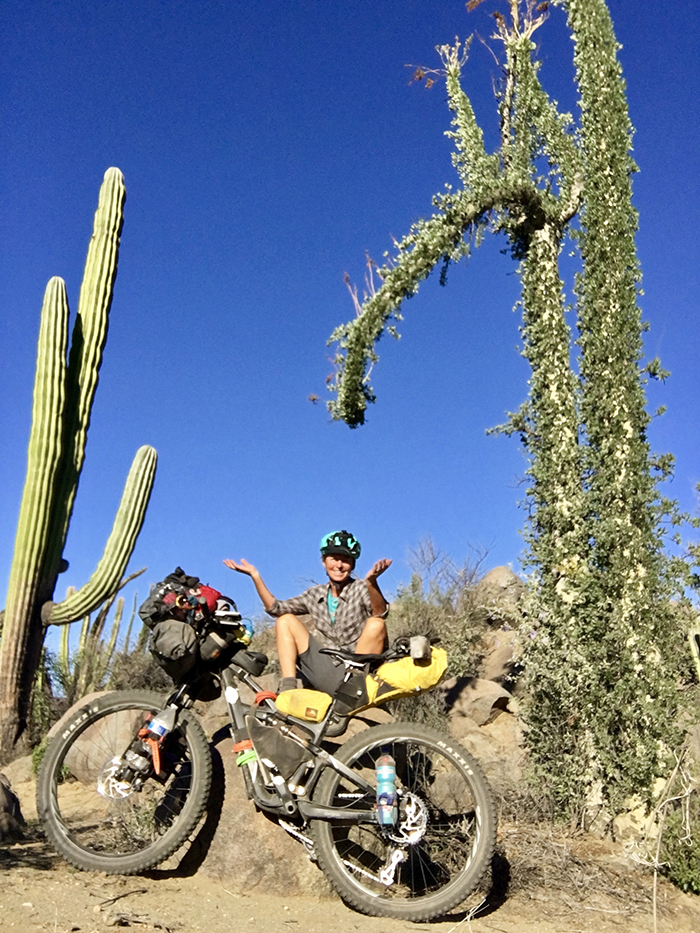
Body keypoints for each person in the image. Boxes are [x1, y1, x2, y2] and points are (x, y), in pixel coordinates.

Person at [223, 530, 392, 694]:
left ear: (352, 564)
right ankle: (288, 687)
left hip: (358, 674)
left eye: (346, 560)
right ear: (324, 562)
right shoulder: (314, 594)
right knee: (285, 620)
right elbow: (276, 608)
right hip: (328, 668)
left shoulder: (361, 588)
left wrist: (371, 583)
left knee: (376, 624)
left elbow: (380, 613)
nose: (339, 565)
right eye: (334, 558)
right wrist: (255, 575)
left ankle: (353, 688)